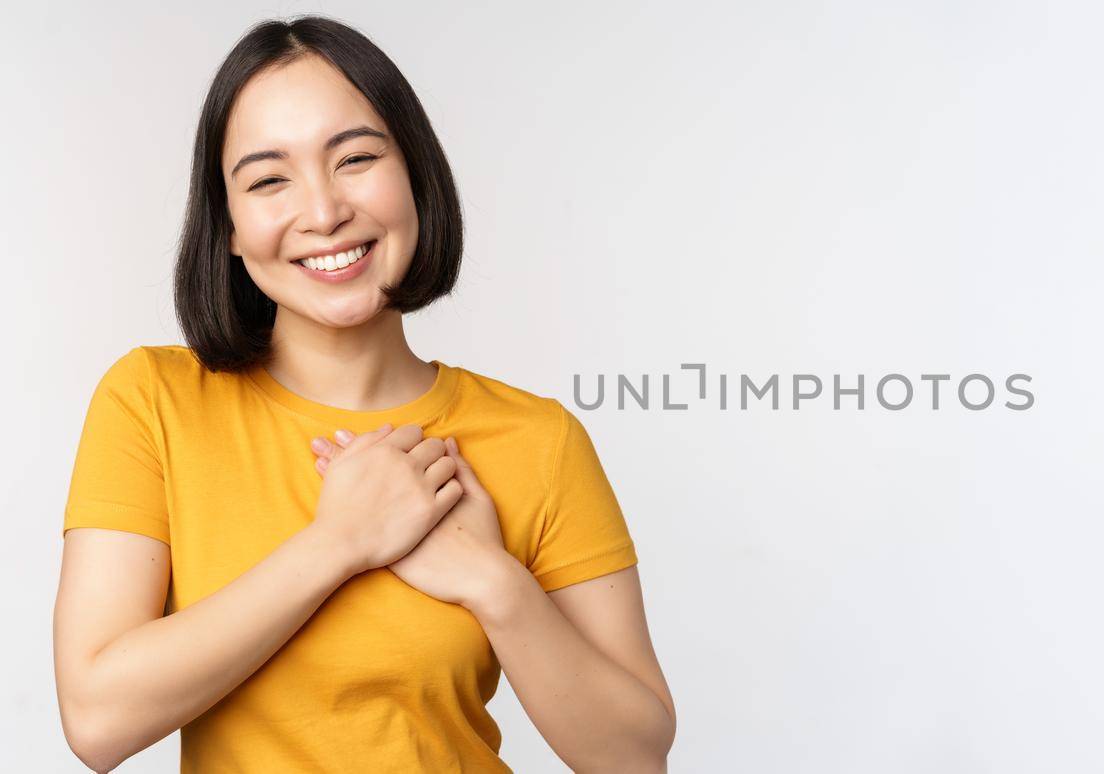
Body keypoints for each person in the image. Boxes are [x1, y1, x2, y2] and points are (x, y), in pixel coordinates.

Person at [52, 15, 675, 773]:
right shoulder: (152, 402)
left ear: (414, 171)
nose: (322, 212)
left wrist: (492, 583)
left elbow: (635, 757)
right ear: (229, 227)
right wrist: (339, 542)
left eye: (355, 158)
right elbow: (97, 719)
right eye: (269, 178)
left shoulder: (538, 440)